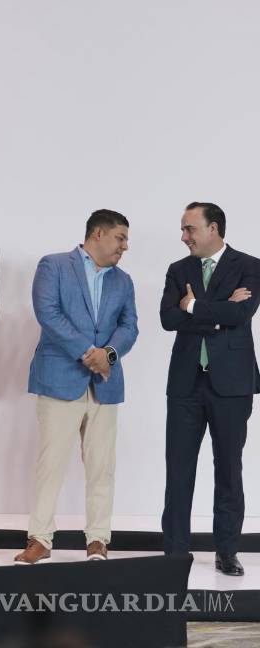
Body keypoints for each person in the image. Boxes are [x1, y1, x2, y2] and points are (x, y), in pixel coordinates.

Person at [14, 210, 138, 565]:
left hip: (106, 384)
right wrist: (89, 353)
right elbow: (48, 313)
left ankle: (98, 540)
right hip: (59, 379)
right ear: (98, 234)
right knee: (50, 463)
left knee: (102, 466)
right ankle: (40, 539)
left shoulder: (123, 281)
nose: (125, 246)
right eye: (120, 238)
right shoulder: (53, 266)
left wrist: (109, 354)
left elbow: (130, 327)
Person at [160, 202, 259, 576]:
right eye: (184, 230)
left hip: (232, 385)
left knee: (229, 469)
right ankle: (174, 554)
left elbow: (240, 315)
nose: (184, 237)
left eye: (190, 229)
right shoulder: (178, 269)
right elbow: (168, 319)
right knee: (178, 470)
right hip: (186, 384)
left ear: (213, 228)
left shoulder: (250, 266)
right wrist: (213, 312)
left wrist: (194, 306)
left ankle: (227, 551)